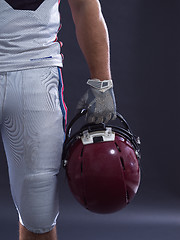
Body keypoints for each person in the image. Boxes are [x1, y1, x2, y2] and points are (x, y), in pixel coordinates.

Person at [0, 0, 116, 239]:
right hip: (36, 69)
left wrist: (102, 83)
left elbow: (84, 4)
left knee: (39, 213)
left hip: (35, 70)